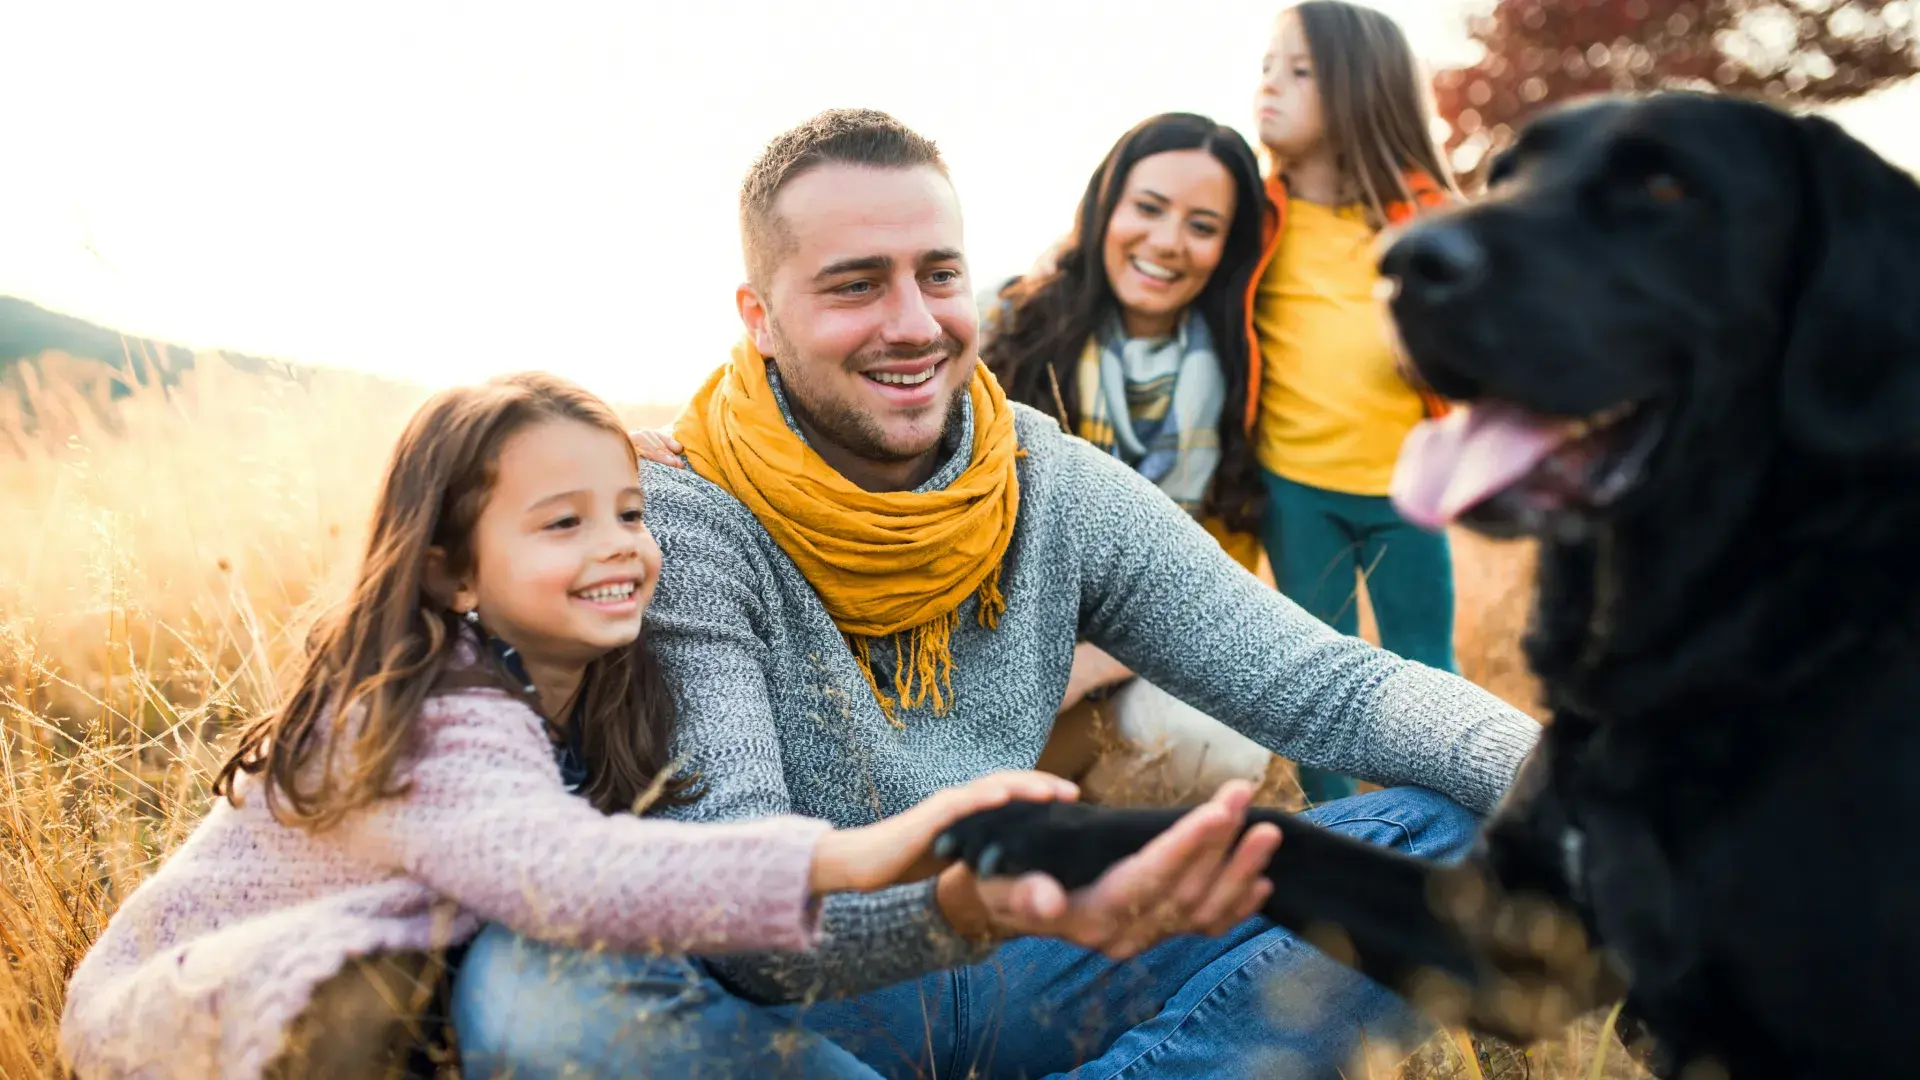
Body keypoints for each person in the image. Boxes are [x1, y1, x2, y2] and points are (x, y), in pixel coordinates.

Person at [454, 109, 1540, 1080]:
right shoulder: (681, 515)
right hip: (823, 1007)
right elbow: (746, 918)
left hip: (1053, 959)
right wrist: (961, 908)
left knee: (1461, 833)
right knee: (530, 988)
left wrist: (1607, 802)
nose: (915, 323)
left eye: (937, 273)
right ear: (759, 313)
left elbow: (1332, 684)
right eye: (854, 284)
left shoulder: (1046, 480)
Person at [57, 372, 1075, 1080]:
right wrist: (854, 858)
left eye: (631, 514)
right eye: (564, 523)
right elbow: (572, 870)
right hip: (196, 1020)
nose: (619, 547)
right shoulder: (428, 713)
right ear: (452, 570)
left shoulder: (575, 682)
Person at [976, 112, 1281, 800]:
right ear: (1106, 206)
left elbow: (1207, 601)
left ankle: (1097, 848)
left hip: (1127, 673)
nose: (1168, 243)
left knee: (1216, 739)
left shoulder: (1246, 376)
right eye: (1147, 208)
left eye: (1203, 226)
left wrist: (1088, 662)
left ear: (1228, 248)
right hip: (977, 658)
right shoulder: (1007, 321)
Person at [1249, 0, 1467, 803]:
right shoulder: (1256, 215)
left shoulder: (1428, 219)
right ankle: (1340, 833)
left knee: (1425, 663)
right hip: (1294, 486)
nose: (1270, 85)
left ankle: (1445, 824)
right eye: (1267, 66)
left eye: (1299, 71)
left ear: (1359, 90)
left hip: (1406, 486)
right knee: (1316, 670)